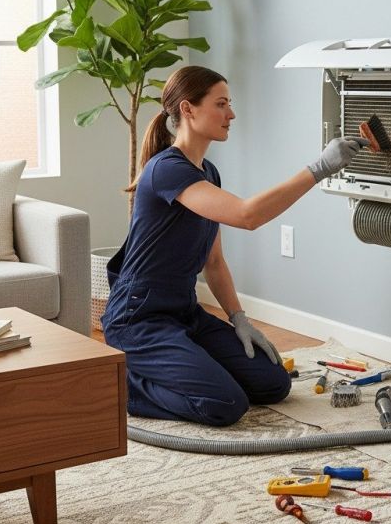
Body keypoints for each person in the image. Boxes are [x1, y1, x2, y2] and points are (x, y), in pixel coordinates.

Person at [101, 65, 368, 426]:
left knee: (274, 384)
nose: (232, 114)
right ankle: (125, 387)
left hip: (184, 313)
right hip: (139, 318)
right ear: (188, 109)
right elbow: (247, 216)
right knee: (225, 404)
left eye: (230, 104)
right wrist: (319, 168)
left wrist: (239, 319)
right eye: (221, 104)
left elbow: (213, 261)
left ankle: (184, 366)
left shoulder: (207, 172)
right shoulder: (166, 169)